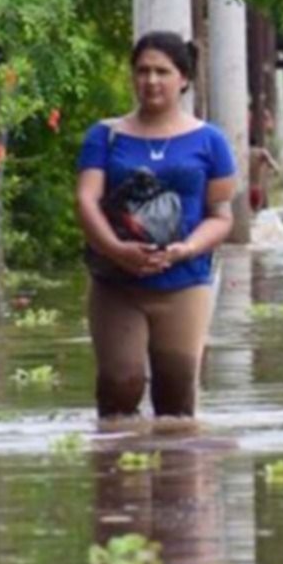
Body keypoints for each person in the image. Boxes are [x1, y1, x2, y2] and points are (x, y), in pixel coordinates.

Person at [75, 31, 237, 419]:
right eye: (142, 71)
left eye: (162, 72)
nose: (151, 81)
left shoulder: (210, 141)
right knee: (120, 384)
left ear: (183, 78)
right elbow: (86, 199)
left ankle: (178, 478)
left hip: (184, 280)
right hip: (118, 282)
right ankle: (114, 470)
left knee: (177, 398)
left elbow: (221, 216)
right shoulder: (105, 136)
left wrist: (187, 249)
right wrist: (116, 249)